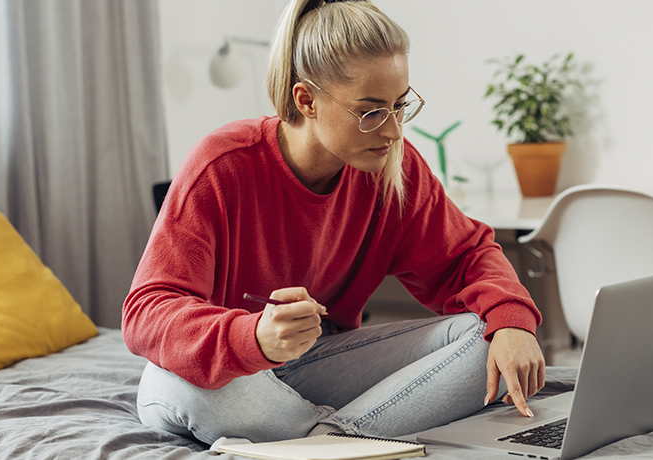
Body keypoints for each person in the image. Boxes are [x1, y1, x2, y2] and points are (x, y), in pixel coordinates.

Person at [124, 0, 546, 444]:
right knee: (190, 390)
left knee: (489, 334)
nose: (393, 131)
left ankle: (325, 443)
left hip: (314, 363)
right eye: (370, 111)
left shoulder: (392, 170)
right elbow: (148, 310)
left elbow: (467, 257)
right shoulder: (222, 165)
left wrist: (514, 321)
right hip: (228, 374)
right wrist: (254, 338)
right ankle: (348, 439)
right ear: (306, 99)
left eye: (400, 106)